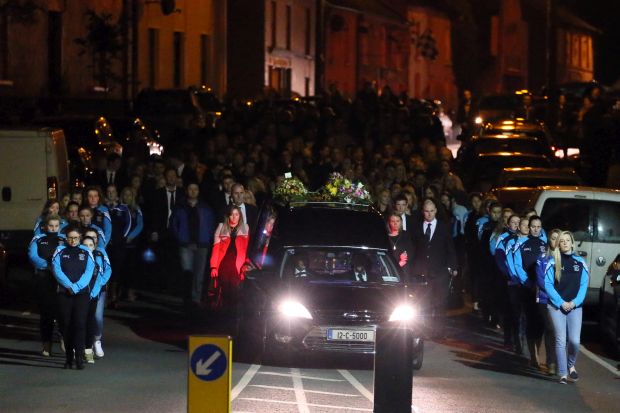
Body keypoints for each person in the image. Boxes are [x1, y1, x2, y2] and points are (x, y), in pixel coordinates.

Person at [543, 231, 589, 384]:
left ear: (572, 242)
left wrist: (574, 303)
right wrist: (560, 302)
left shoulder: (580, 262)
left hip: (575, 306)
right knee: (561, 339)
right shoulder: (552, 261)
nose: (564, 243)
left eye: (567, 240)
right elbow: (548, 284)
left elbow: (583, 286)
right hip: (557, 306)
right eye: (561, 241)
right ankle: (562, 373)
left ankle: (571, 366)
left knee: (575, 341)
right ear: (558, 244)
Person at [411, 198, 457, 338]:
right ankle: (423, 330)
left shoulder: (444, 227)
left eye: (432, 211)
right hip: (422, 272)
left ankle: (438, 331)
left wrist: (453, 266)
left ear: (436, 211)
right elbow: (414, 248)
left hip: (440, 271)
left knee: (439, 302)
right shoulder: (417, 227)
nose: (429, 214)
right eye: (426, 211)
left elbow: (450, 248)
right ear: (422, 211)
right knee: (423, 303)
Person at [51, 226, 95, 369]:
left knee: (80, 324)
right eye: (70, 237)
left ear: (80, 238)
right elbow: (56, 269)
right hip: (64, 293)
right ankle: (69, 357)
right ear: (66, 238)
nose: (73, 240)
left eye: (75, 237)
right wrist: (68, 285)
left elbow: (89, 272)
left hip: (81, 293)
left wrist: (76, 287)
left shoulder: (86, 251)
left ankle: (79, 358)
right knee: (66, 324)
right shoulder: (60, 251)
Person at [170, 182, 216, 308]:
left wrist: (208, 238)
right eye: (190, 188)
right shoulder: (180, 207)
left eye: (195, 189)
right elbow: (174, 224)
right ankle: (187, 299)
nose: (193, 191)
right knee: (187, 273)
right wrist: (179, 237)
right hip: (185, 244)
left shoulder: (205, 207)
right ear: (186, 191)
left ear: (199, 191)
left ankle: (196, 299)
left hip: (202, 244)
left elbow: (211, 225)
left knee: (199, 274)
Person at [511, 216, 548, 368]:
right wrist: (528, 283)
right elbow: (518, 266)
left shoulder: (545, 245)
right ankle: (533, 356)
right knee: (530, 320)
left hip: (542, 290)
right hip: (527, 289)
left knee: (540, 322)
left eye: (538, 227)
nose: (535, 229)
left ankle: (537, 353)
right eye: (533, 226)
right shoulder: (522, 245)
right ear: (528, 227)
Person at [27, 214, 65, 356]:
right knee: (46, 314)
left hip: (60, 279)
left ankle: (63, 337)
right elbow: (32, 256)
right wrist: (48, 265)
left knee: (62, 311)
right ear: (44, 226)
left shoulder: (63, 239)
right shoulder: (38, 239)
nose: (53, 228)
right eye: (51, 226)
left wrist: (56, 267)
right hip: (44, 279)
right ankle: (46, 344)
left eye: (56, 226)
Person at [210, 205, 249, 312]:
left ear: (240, 216)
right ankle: (224, 313)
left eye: (236, 214)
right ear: (228, 216)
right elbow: (216, 248)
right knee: (225, 289)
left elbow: (246, 249)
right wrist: (214, 267)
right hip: (223, 263)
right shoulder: (221, 227)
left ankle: (233, 314)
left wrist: (246, 265)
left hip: (238, 265)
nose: (234, 217)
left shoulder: (245, 228)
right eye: (232, 214)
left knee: (235, 290)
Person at [535, 228, 562, 376]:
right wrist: (554, 295)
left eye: (558, 238)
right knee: (551, 328)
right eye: (553, 238)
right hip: (545, 299)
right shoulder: (542, 257)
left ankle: (558, 362)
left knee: (560, 331)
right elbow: (540, 280)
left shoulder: (567, 258)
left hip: (562, 301)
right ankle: (551, 362)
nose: (555, 241)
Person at [82, 235, 111, 363]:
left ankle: (96, 340)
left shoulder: (100, 253)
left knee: (96, 318)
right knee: (81, 320)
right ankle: (83, 348)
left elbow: (104, 271)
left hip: (97, 292)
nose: (88, 247)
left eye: (91, 244)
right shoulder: (79, 256)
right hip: (82, 293)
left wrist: (98, 287)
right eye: (85, 245)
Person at [120, 187, 144, 301]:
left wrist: (131, 236)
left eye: (130, 195)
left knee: (132, 269)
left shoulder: (136, 209)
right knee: (121, 268)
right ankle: (119, 292)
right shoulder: (118, 209)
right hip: (121, 244)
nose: (127, 197)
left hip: (133, 244)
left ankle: (130, 291)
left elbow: (140, 225)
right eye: (125, 195)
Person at [386, 213, 413, 279]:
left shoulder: (406, 235)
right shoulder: (385, 236)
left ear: (401, 222)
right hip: (389, 268)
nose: (395, 223)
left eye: (397, 221)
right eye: (393, 221)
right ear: (389, 222)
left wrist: (403, 260)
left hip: (404, 270)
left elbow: (411, 251)